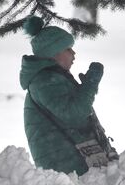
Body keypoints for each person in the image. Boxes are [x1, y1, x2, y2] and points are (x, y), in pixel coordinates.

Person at [19, 15, 116, 175]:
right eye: (68, 49)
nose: (74, 53)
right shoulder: (44, 81)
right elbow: (74, 115)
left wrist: (82, 89)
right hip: (67, 169)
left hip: (70, 164)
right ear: (54, 53)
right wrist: (89, 86)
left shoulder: (52, 78)